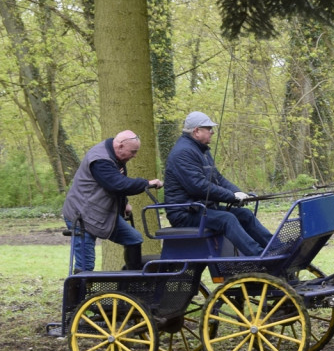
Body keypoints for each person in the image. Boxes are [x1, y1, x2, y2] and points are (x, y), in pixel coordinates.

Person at [162, 111, 272, 257]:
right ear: (197, 131)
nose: (212, 132)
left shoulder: (201, 151)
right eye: (209, 129)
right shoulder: (183, 153)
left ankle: (274, 247)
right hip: (185, 213)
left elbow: (218, 179)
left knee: (244, 214)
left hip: (201, 209)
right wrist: (231, 197)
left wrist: (240, 194)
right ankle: (259, 256)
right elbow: (199, 187)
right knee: (227, 219)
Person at [62, 131, 163, 272]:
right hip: (82, 215)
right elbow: (117, 184)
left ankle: (132, 282)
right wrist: (147, 183)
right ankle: (78, 293)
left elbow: (116, 183)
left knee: (134, 239)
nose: (135, 156)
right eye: (133, 152)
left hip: (102, 214)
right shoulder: (100, 160)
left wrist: (124, 203)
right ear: (120, 146)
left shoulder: (117, 157)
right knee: (86, 266)